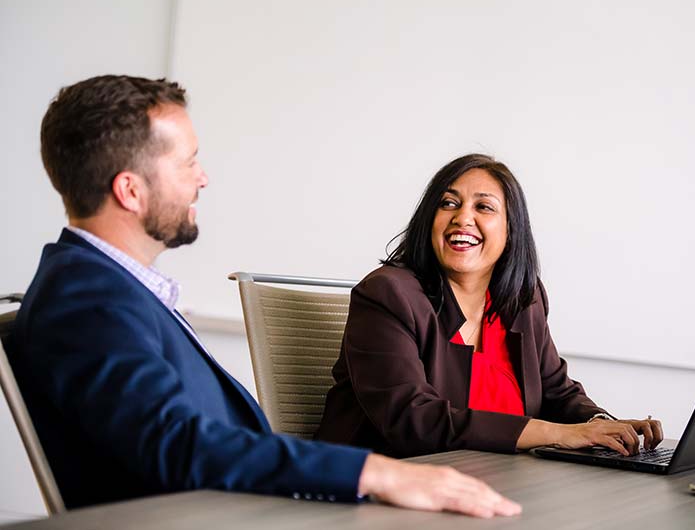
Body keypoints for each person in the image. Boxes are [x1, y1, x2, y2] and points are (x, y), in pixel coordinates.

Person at [4, 76, 520, 519]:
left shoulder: (108, 286)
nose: (202, 177)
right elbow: (180, 445)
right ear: (130, 191)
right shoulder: (86, 301)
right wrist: (375, 472)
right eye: (188, 163)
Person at [316, 154, 663, 458]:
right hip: (380, 488)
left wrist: (603, 426)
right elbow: (413, 421)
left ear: (511, 230)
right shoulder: (387, 294)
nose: (462, 218)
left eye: (483, 207)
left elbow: (556, 391)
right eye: (448, 203)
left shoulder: (523, 300)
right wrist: (557, 434)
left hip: (495, 484)